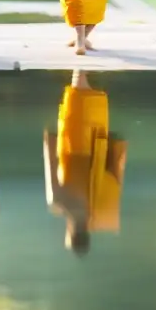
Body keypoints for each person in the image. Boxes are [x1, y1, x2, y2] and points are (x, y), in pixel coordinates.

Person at [43, 70, 127, 255]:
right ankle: (81, 45)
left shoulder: (101, 210)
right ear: (69, 232)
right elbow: (50, 159)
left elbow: (116, 173)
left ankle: (84, 50)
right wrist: (49, 138)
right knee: (78, 79)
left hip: (98, 141)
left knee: (87, 85)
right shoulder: (58, 202)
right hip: (73, 142)